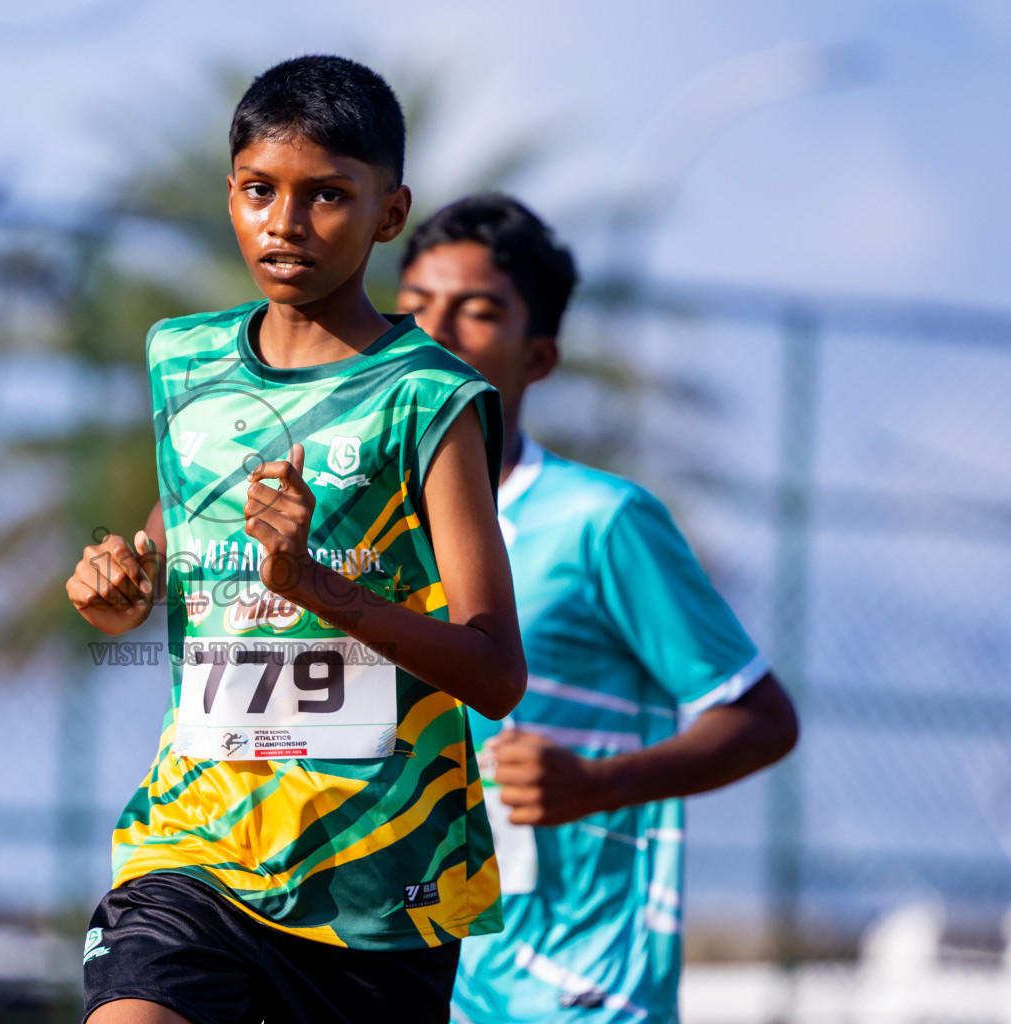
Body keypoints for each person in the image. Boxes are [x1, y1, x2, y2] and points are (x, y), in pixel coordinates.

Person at [64, 58, 529, 1024]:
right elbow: (178, 530)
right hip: (194, 847)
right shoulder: (184, 361)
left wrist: (321, 586)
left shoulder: (428, 399)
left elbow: (494, 671)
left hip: (379, 881)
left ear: (389, 213)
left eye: (327, 196)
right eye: (259, 191)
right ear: (229, 195)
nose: (285, 222)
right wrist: (127, 579)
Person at [396, 193, 801, 1024]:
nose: (437, 333)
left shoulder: (599, 523)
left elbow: (762, 719)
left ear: (537, 356)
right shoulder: (359, 535)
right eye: (414, 307)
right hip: (408, 975)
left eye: (478, 312)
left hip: (578, 987)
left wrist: (594, 783)